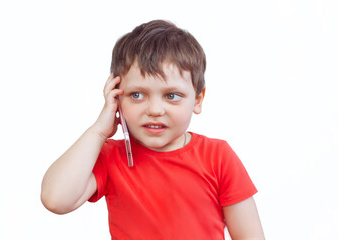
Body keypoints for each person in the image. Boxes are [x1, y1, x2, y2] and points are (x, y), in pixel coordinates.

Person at [41, 20, 265, 240]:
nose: (155, 110)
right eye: (137, 95)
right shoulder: (110, 157)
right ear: (117, 98)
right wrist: (99, 130)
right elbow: (56, 199)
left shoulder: (218, 156)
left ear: (197, 100)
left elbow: (250, 236)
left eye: (171, 96)